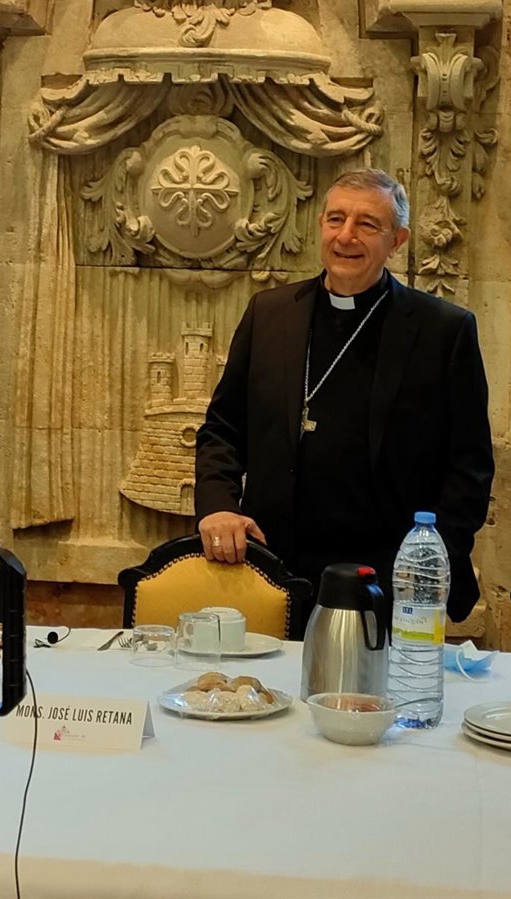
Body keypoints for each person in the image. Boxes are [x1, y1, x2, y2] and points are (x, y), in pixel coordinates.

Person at [194, 168, 494, 636]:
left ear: (397, 240)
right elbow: (223, 429)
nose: (346, 236)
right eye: (336, 219)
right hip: (275, 564)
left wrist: (429, 560)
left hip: (387, 577)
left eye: (367, 224)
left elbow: (469, 466)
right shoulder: (269, 314)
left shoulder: (442, 330)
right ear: (321, 226)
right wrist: (218, 506)